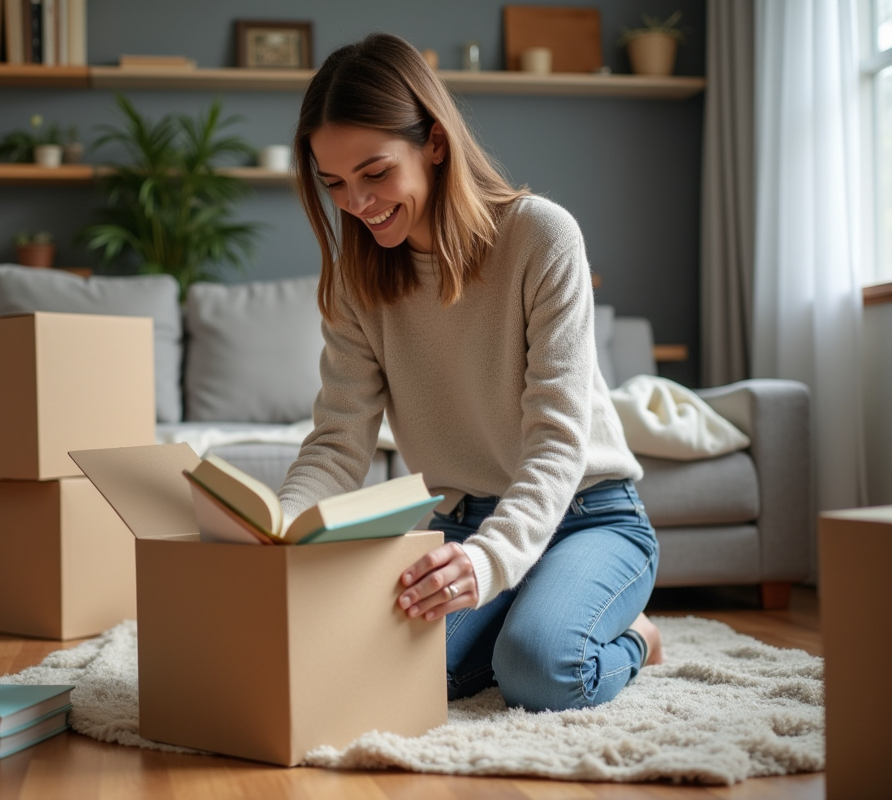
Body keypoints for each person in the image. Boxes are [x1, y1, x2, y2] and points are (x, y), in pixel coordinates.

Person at [276, 32, 664, 712]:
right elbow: (339, 444)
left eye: (374, 173)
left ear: (432, 142)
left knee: (538, 670)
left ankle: (636, 639)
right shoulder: (355, 284)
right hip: (457, 521)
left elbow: (555, 442)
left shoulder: (541, 236)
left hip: (586, 515)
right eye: (333, 183)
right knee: (384, 672)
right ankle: (524, 613)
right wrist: (277, 526)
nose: (357, 203)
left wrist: (490, 563)